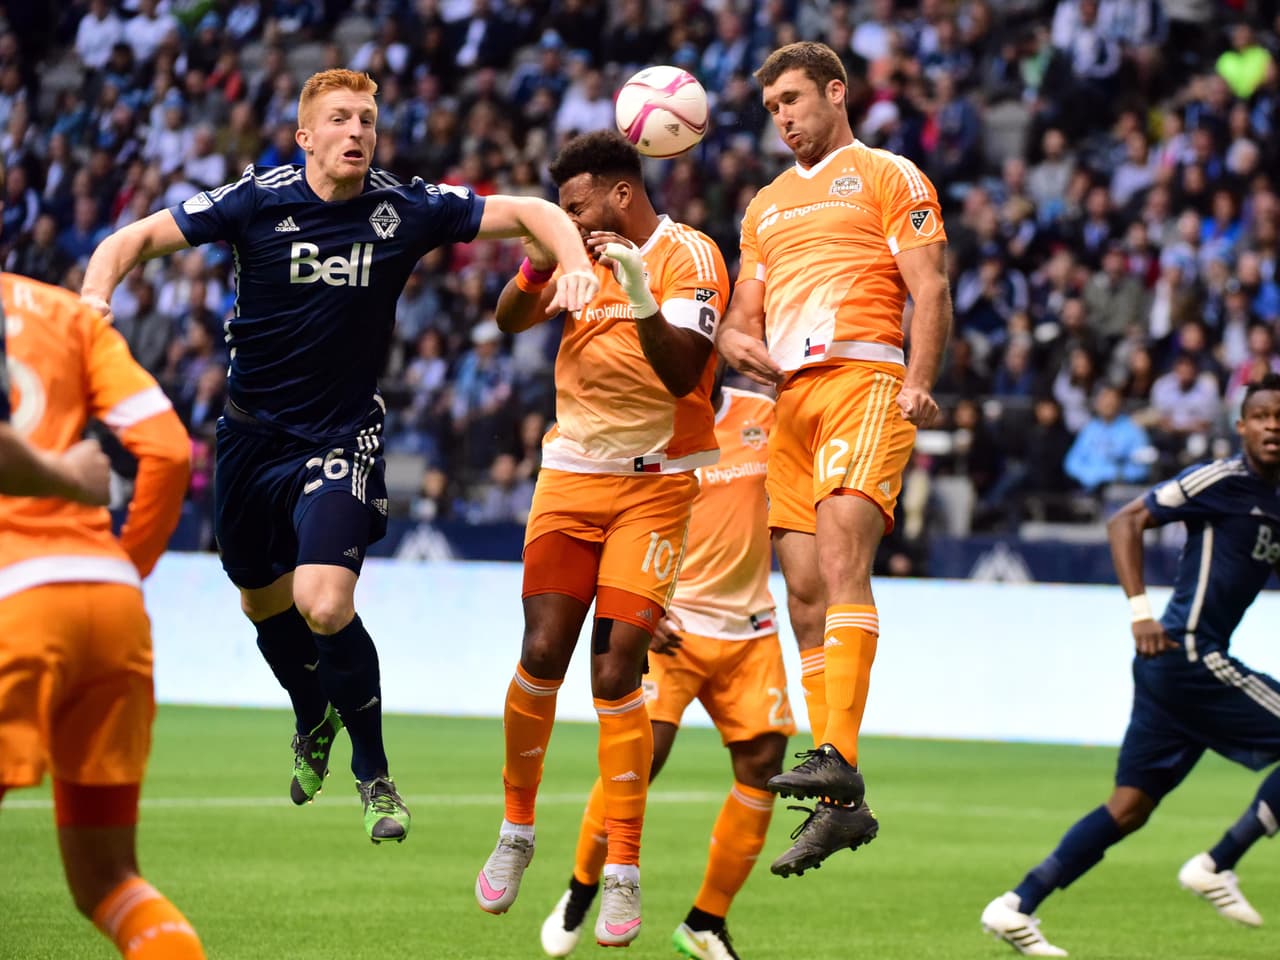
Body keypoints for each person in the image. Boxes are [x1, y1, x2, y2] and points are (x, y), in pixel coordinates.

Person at [79, 68, 599, 844]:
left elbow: (528, 211)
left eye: (368, 120)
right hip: (249, 438)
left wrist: (577, 261)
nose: (358, 132)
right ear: (306, 136)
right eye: (341, 119)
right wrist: (94, 296)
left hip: (340, 435)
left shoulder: (405, 206)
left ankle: (376, 776)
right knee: (263, 605)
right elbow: (134, 238)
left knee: (325, 601)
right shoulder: (256, 198)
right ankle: (310, 716)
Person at [474, 130, 729, 948]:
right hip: (573, 473)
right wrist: (544, 263)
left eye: (576, 205)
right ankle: (516, 831)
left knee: (617, 663)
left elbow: (685, 371)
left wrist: (638, 289)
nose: (569, 219)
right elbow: (509, 318)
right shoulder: (567, 247)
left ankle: (623, 869)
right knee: (543, 650)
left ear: (622, 193)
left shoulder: (689, 255)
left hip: (655, 487)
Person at [716, 41, 952, 876]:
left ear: (835, 93)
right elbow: (743, 312)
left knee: (847, 561)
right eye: (771, 105)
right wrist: (736, 339)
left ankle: (837, 760)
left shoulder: (890, 174)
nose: (782, 116)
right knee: (805, 598)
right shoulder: (765, 205)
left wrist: (920, 380)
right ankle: (841, 803)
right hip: (792, 402)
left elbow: (930, 286)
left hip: (864, 378)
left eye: (792, 99)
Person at [981, 373, 1280, 957]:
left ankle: (1015, 904)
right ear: (1241, 425)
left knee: (1130, 808)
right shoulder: (1222, 479)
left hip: (1171, 670)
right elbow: (1125, 520)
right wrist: (1140, 613)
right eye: (1262, 415)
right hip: (1184, 650)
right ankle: (1218, 863)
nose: (1273, 426)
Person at [539, 372, 793, 960]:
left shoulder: (764, 411)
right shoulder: (639, 420)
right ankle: (580, 890)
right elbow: (597, 517)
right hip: (669, 627)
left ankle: (705, 922)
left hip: (750, 628)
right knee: (642, 757)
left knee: (763, 765)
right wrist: (636, 604)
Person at [0, 270, 200, 958]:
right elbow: (170, 450)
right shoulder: (66, 313)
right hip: (108, 598)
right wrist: (127, 564)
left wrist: (53, 479)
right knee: (111, 882)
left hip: (11, 600)